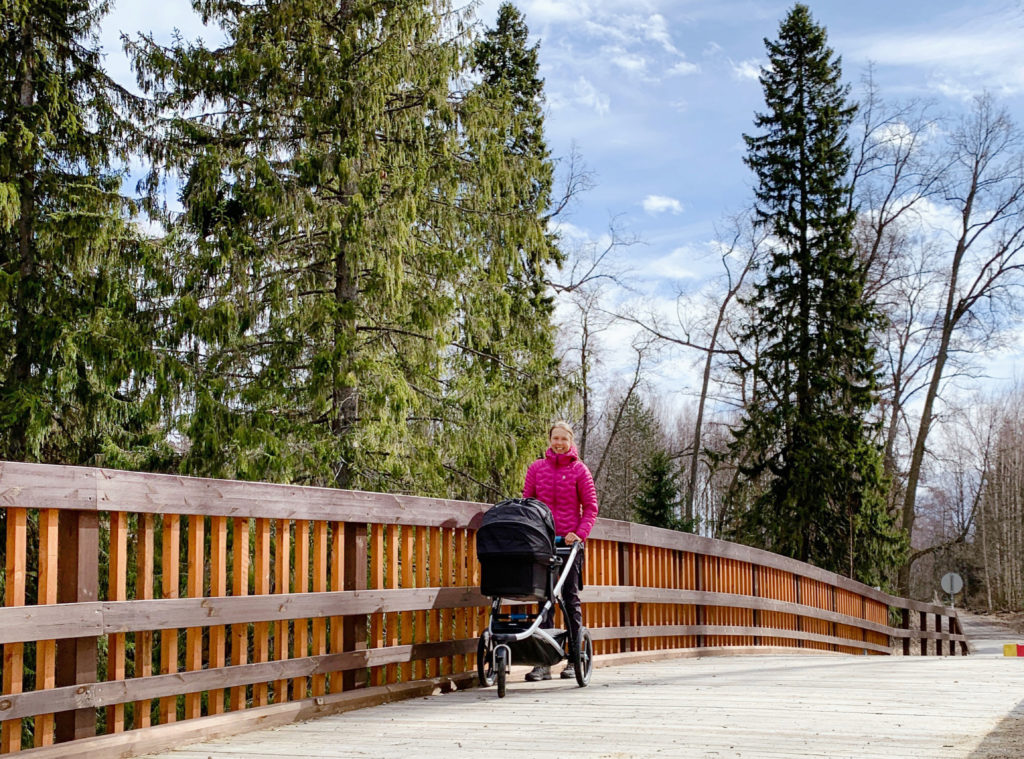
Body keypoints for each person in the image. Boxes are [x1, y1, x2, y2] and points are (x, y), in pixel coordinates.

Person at [521, 420, 599, 681]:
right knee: (544, 599)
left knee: (569, 598)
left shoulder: (580, 470)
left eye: (564, 439)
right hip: (542, 543)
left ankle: (574, 657)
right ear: (549, 440)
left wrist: (579, 534)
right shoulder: (537, 468)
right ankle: (543, 662)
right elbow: (528, 503)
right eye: (555, 438)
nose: (559, 443)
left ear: (571, 441)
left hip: (569, 543)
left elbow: (590, 507)